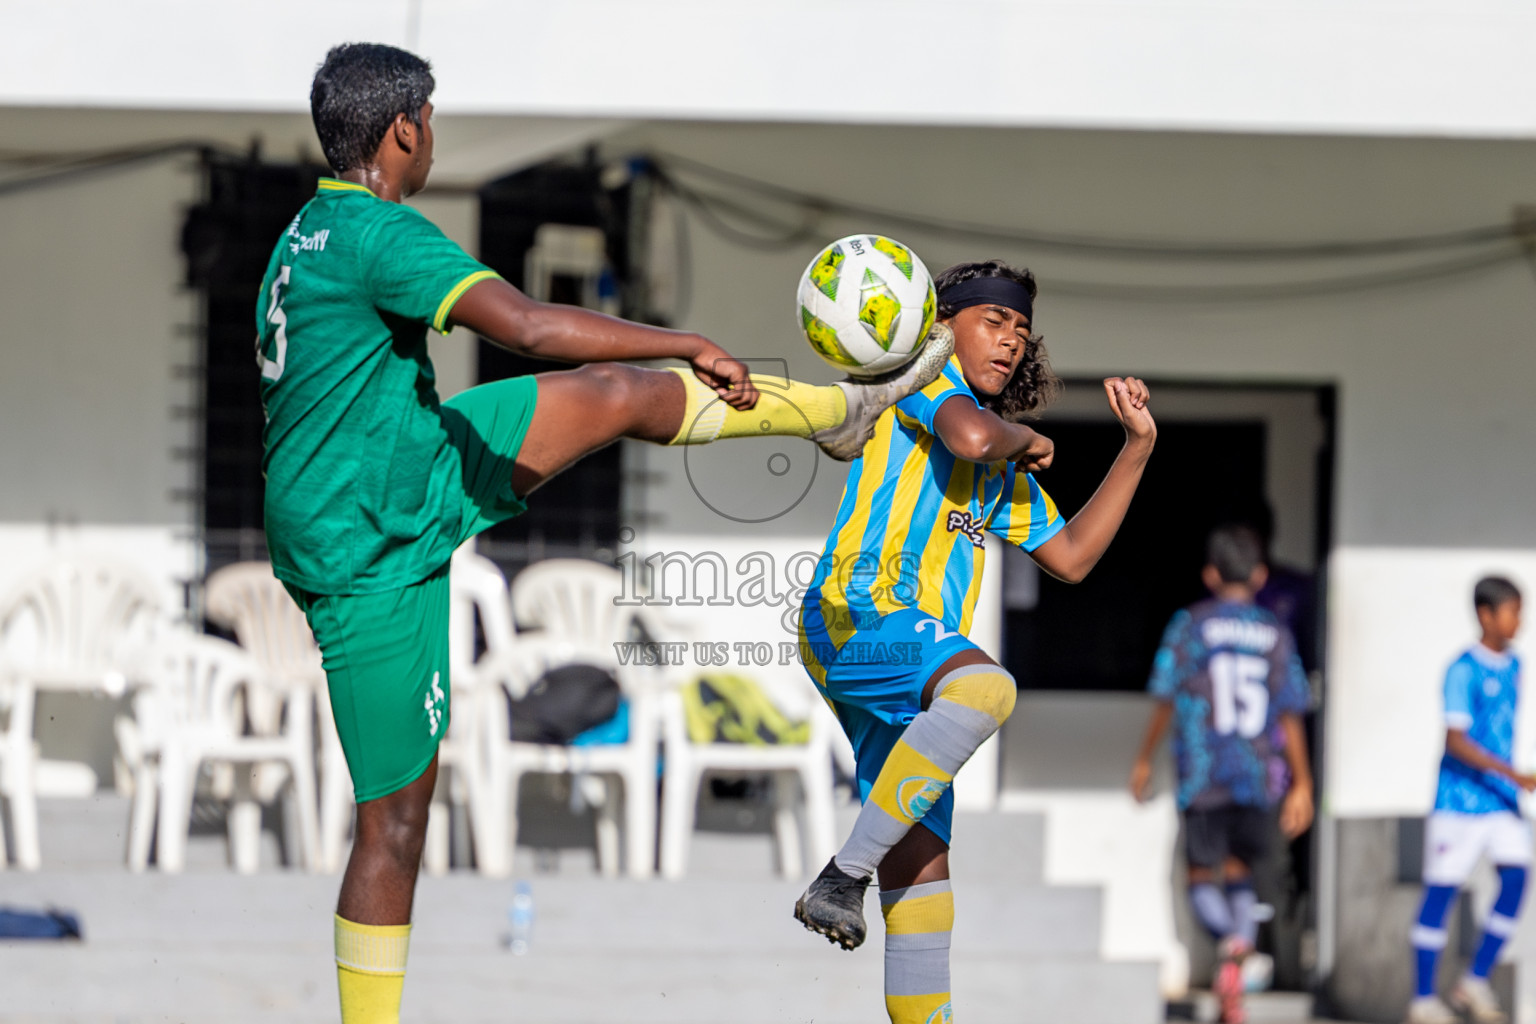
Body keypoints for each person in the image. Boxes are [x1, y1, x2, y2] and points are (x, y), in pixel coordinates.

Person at [261, 42, 955, 1024]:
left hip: (405, 461)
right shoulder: (380, 232)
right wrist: (683, 337)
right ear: (405, 129)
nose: (434, 139)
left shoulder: (305, 234)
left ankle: (838, 411)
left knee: (616, 395)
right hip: (370, 549)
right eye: (433, 123)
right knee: (396, 823)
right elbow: (528, 326)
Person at [793, 259, 1157, 1024]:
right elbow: (968, 432)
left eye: (1021, 331)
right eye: (994, 322)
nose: (1011, 342)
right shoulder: (926, 385)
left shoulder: (997, 465)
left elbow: (1074, 557)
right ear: (942, 329)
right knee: (987, 686)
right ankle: (839, 875)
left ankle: (859, 883)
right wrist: (1025, 436)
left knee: (922, 884)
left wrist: (1136, 448)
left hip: (907, 667)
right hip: (855, 616)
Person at [1129, 524, 1314, 1024]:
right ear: (1259, 575)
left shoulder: (1190, 624)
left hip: (1203, 772)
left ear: (1211, 574)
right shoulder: (1274, 632)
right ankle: (1240, 955)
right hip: (1258, 775)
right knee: (1240, 871)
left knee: (1199, 874)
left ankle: (1232, 947)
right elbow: (1291, 710)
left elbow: (1166, 697)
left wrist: (1145, 757)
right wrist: (1304, 782)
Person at [1406, 577, 1530, 1024]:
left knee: (1517, 880)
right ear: (1486, 614)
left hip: (1499, 801)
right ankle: (1421, 998)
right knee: (1441, 893)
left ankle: (1474, 979)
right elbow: (1456, 741)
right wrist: (1514, 774)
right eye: (1513, 611)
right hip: (1459, 801)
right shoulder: (1461, 669)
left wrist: (1510, 782)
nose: (1520, 621)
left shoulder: (1515, 665)